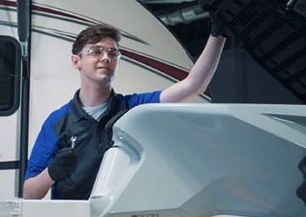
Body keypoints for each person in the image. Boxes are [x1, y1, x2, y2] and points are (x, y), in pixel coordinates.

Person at [24, 23, 226, 200]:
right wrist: (52, 172)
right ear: (76, 61)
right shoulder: (58, 121)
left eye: (113, 53)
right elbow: (29, 193)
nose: (106, 58)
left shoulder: (133, 109)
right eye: (96, 51)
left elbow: (193, 85)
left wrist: (217, 35)